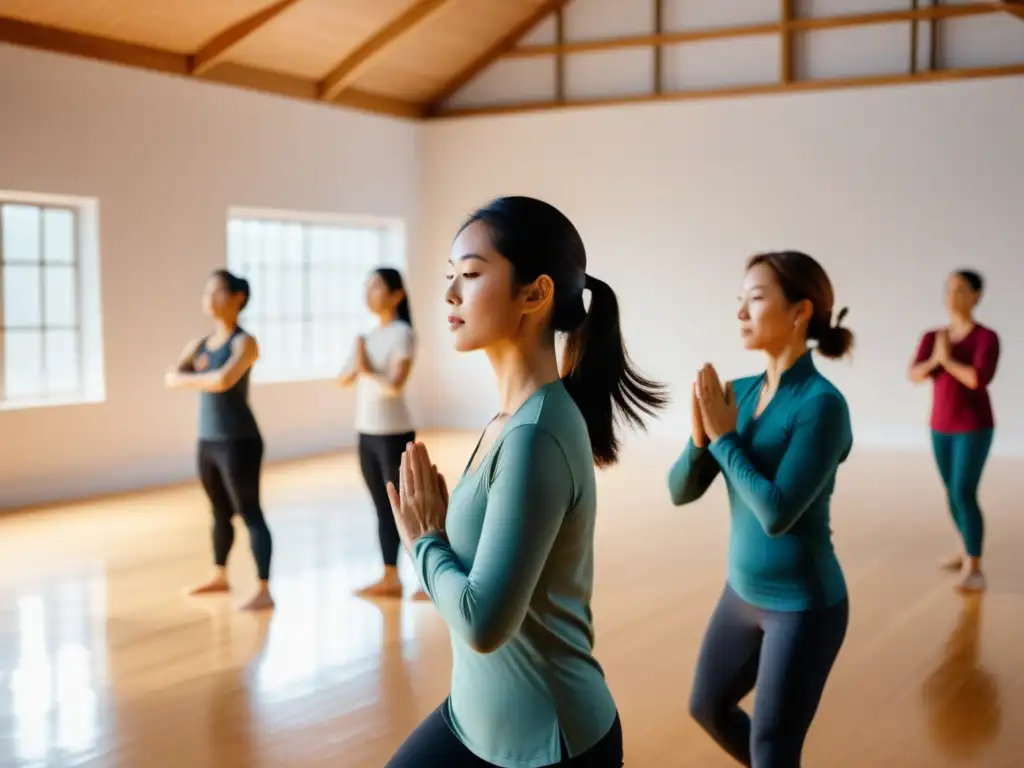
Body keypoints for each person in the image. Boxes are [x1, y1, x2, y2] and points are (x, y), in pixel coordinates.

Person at [384, 196, 667, 767]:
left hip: (547, 742)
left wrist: (425, 542)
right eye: (450, 276)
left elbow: (484, 622)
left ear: (535, 294)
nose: (449, 295)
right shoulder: (510, 421)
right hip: (474, 720)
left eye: (470, 274)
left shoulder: (535, 437)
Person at [668, 251, 853, 767]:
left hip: (803, 607)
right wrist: (698, 437)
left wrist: (725, 439)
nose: (741, 313)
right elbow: (679, 490)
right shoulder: (740, 393)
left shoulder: (822, 405)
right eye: (740, 301)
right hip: (741, 595)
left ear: (800, 312)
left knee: (773, 747)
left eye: (756, 299)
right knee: (706, 707)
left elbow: (777, 514)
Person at [165, 269, 273, 612]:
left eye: (217, 292)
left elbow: (224, 381)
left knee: (249, 512)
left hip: (239, 441)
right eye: (206, 292)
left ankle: (264, 587)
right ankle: (219, 574)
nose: (209, 299)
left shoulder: (245, 342)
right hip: (207, 441)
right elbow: (171, 377)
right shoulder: (198, 344)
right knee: (218, 512)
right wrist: (205, 379)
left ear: (238, 298)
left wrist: (198, 378)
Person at [337, 267, 427, 600]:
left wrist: (365, 367)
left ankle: (429, 579)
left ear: (397, 295)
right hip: (367, 432)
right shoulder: (369, 335)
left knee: (405, 508)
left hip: (393, 433)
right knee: (381, 506)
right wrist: (357, 360)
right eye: (366, 285)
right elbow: (343, 378)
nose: (368, 291)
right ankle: (390, 578)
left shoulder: (402, 333)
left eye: (375, 286)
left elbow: (394, 385)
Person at [909, 269, 999, 593]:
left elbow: (977, 379)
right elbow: (915, 374)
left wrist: (945, 360)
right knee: (951, 493)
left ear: (976, 296)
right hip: (940, 427)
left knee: (963, 492)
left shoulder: (986, 337)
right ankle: (965, 550)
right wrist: (937, 357)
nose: (953, 296)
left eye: (961, 290)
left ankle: (974, 566)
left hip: (974, 428)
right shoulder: (933, 336)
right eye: (949, 289)